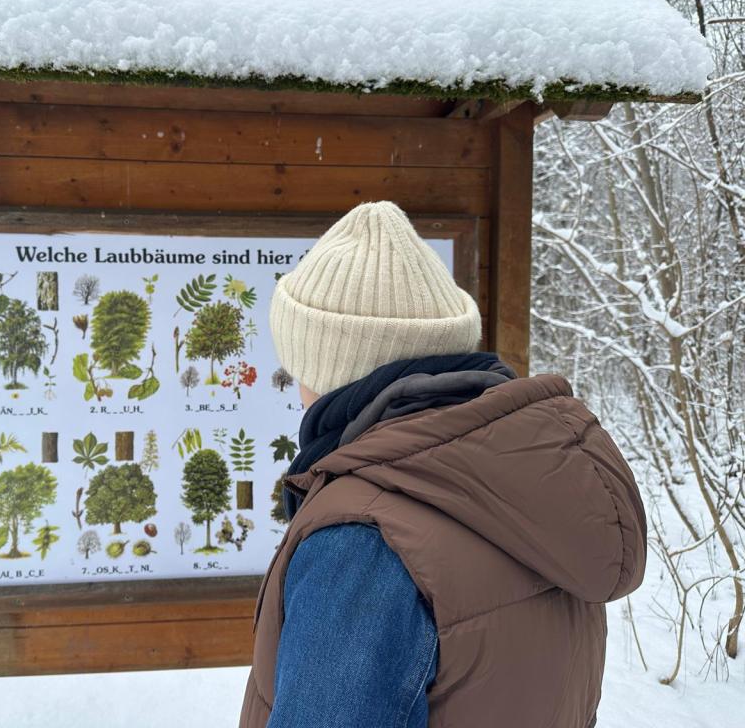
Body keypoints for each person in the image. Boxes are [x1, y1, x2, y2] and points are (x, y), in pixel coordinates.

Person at [239, 201, 647, 728]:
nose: (297, 388)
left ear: (329, 366)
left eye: (298, 365)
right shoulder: (543, 496)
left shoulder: (363, 542)